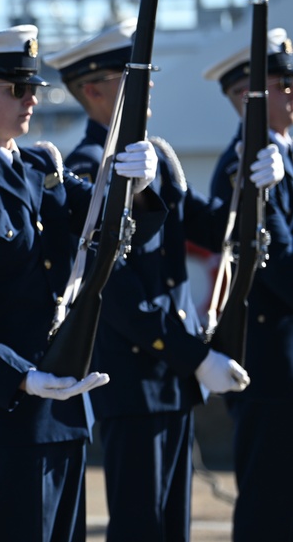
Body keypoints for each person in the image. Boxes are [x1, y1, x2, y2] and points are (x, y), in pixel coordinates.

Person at [0, 24, 164, 542]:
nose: (33, 99)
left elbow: (112, 236)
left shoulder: (37, 169)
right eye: (17, 88)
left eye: (34, 88)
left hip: (61, 416)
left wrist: (136, 191)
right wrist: (19, 378)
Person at [44, 20, 278, 541]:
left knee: (173, 527)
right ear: (93, 89)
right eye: (135, 78)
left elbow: (215, 229)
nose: (148, 88)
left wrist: (251, 183)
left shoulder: (158, 160)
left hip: (172, 376)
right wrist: (197, 358)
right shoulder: (85, 169)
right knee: (141, 526)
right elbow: (116, 294)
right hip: (131, 376)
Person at [203, 27, 293, 542]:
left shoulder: (281, 157)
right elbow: (278, 265)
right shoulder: (246, 166)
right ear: (246, 97)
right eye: (282, 84)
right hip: (270, 366)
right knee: (268, 508)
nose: (291, 92)